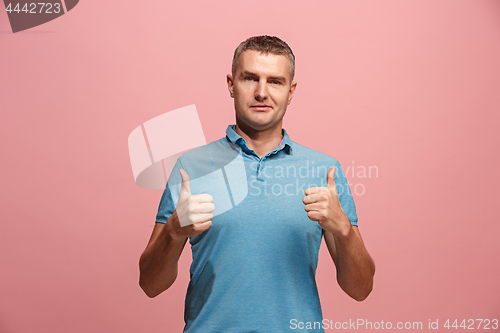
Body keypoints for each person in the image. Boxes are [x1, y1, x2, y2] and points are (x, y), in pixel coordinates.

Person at [139, 35, 375, 332]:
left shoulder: (324, 170)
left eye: (275, 82)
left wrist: (343, 229)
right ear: (231, 84)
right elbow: (150, 284)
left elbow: (361, 289)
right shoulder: (191, 167)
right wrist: (172, 231)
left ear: (291, 91)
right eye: (250, 78)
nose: (262, 92)